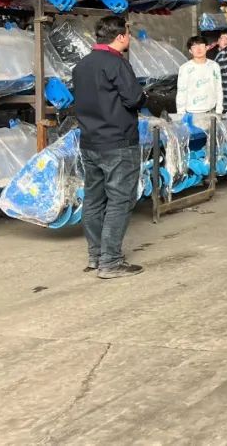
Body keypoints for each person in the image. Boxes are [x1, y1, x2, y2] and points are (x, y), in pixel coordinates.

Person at [72, 16, 146, 279]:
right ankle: (111, 262)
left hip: (90, 141)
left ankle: (96, 256)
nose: (129, 37)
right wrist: (144, 95)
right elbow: (134, 99)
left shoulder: (81, 65)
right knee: (119, 200)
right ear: (120, 36)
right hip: (118, 142)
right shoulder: (117, 63)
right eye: (128, 33)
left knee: (93, 199)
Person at [176, 35, 223, 116]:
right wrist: (181, 113)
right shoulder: (185, 68)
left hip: (211, 111)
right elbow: (181, 92)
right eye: (194, 47)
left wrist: (219, 110)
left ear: (207, 47)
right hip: (191, 112)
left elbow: (219, 89)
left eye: (201, 45)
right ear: (190, 51)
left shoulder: (214, 66)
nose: (198, 49)